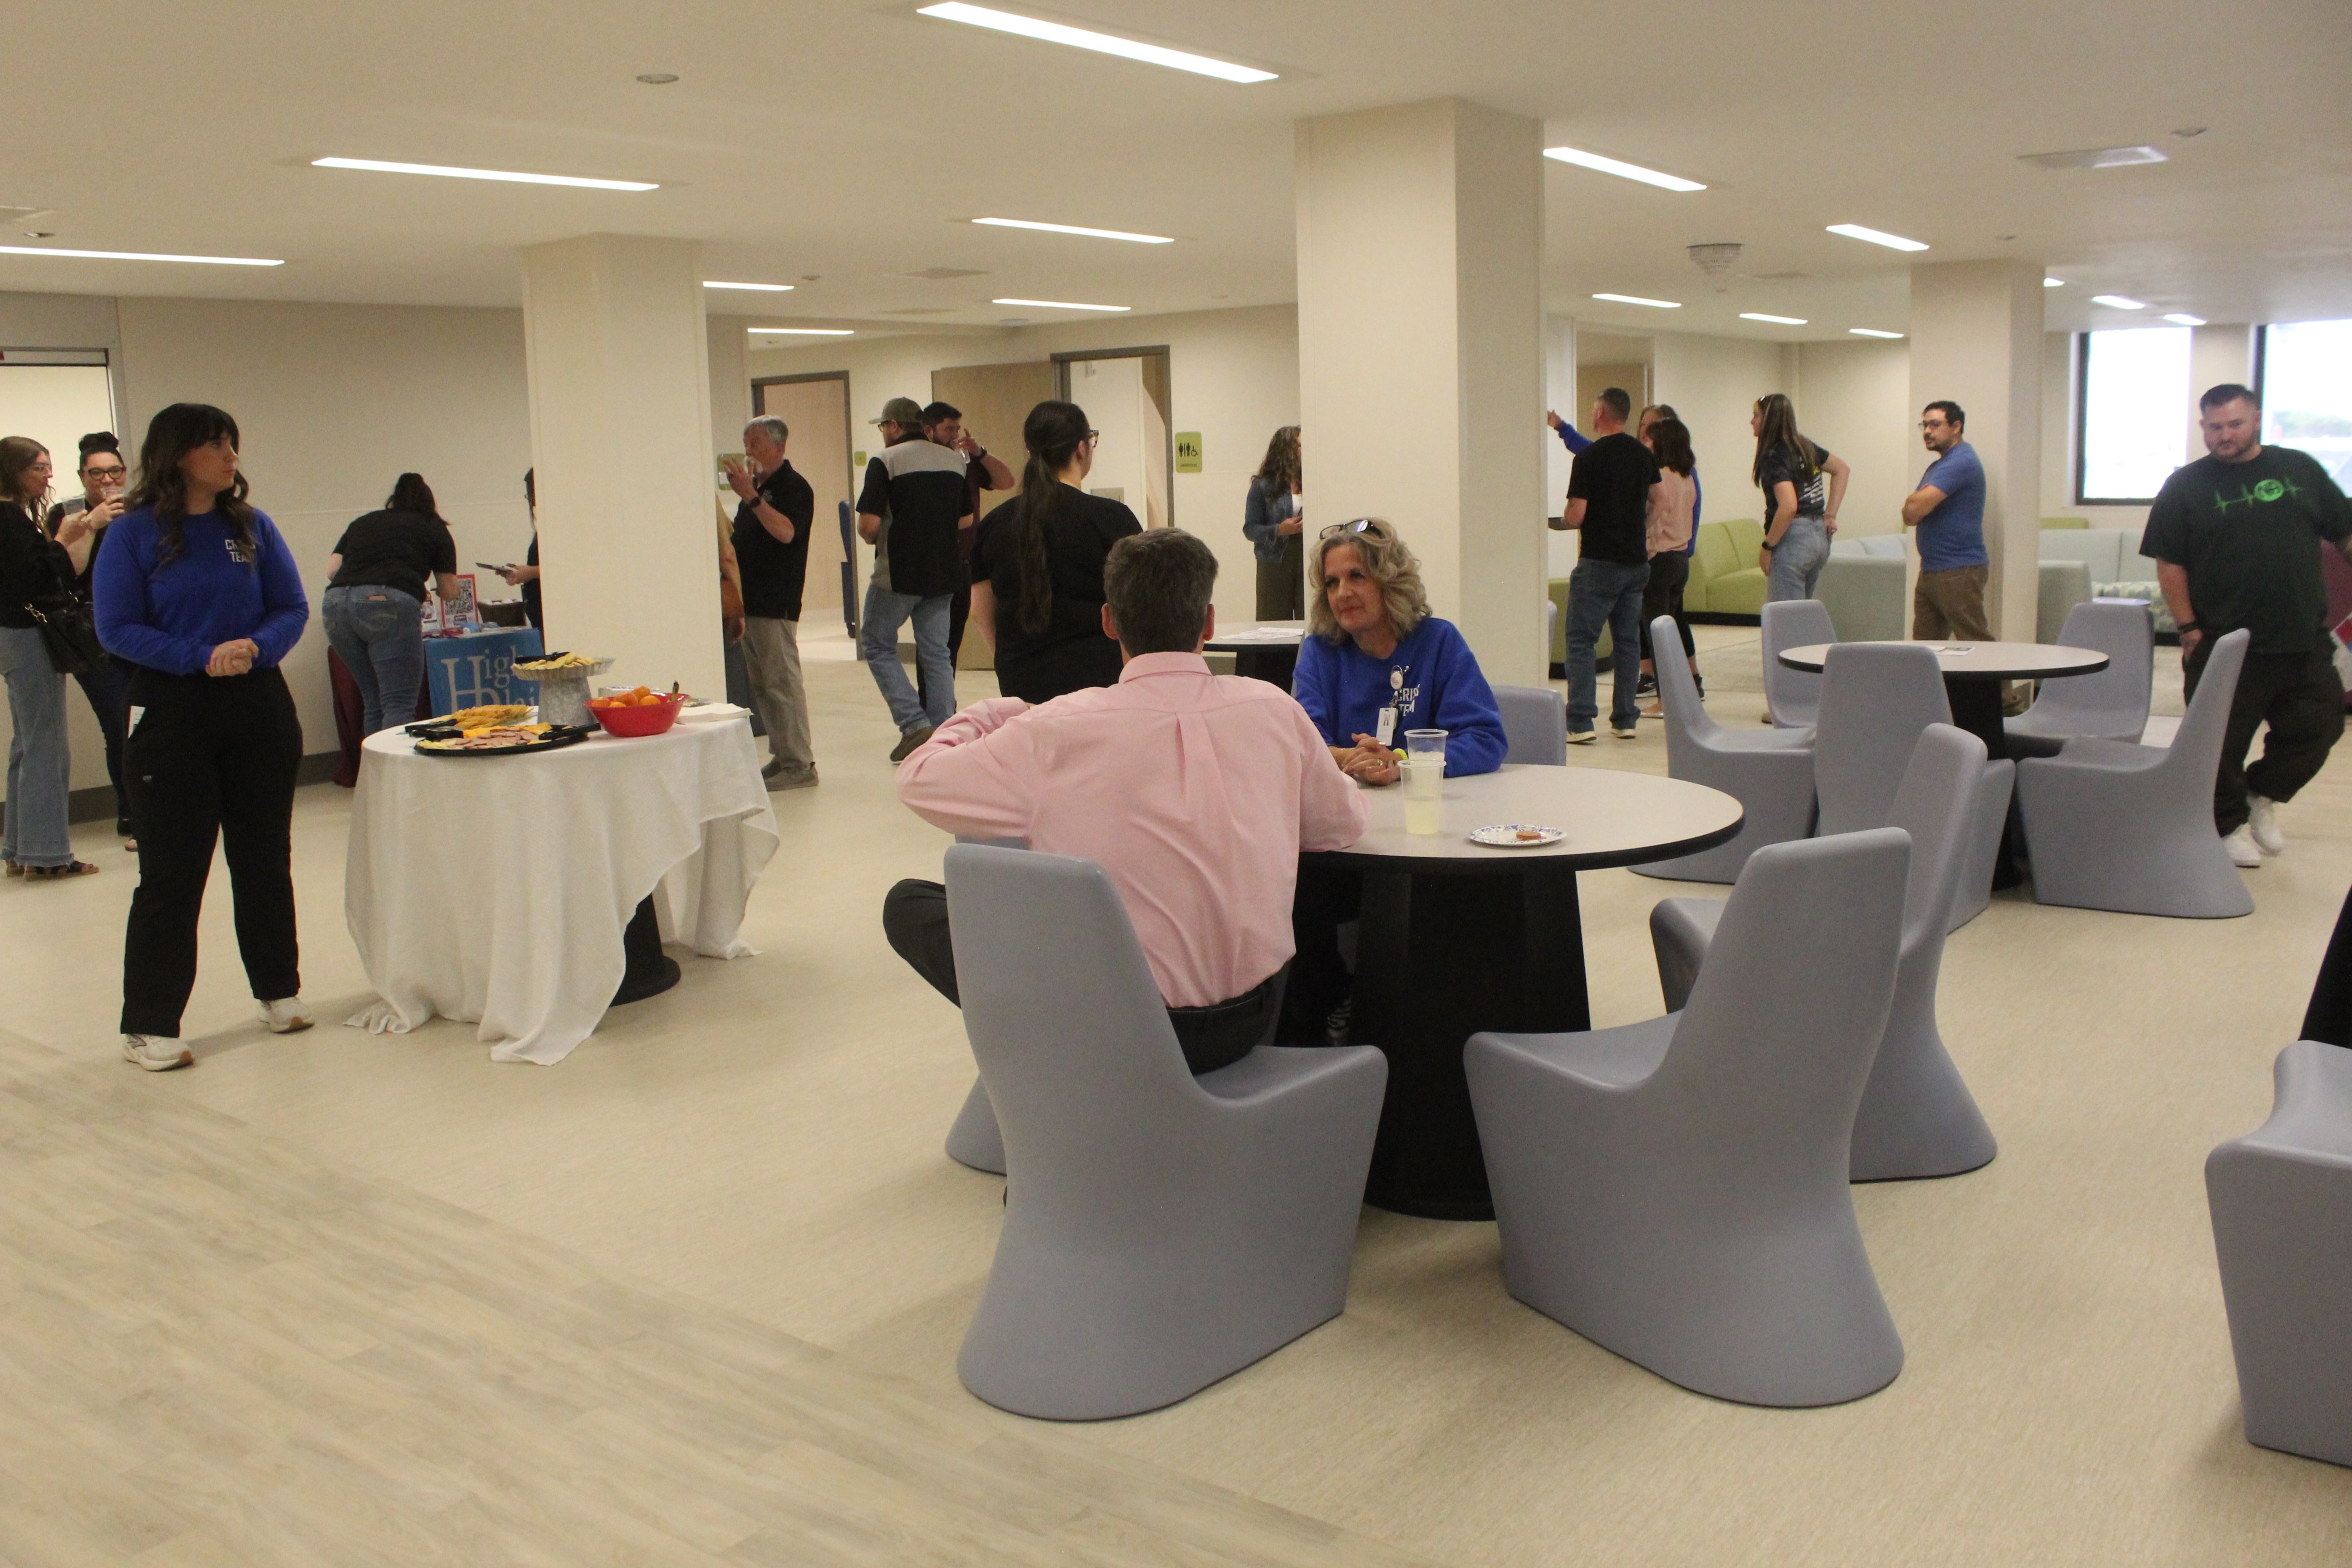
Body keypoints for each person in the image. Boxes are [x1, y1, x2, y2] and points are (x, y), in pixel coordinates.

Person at [887, 527, 1367, 1073]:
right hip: (1253, 1018)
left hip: (1117, 1030)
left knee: (909, 904)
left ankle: (1040, 1057)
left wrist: (995, 712)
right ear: (1208, 623)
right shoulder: (1273, 709)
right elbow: (1342, 824)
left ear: (1110, 620)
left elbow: (918, 776)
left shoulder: (1056, 729)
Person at [93, 403, 312, 1072]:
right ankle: (150, 1025)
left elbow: (292, 606)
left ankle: (278, 990)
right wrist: (200, 655)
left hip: (256, 703)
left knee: (263, 856)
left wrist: (255, 645)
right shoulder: (133, 536)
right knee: (172, 870)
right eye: (216, 444)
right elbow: (117, 628)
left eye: (233, 444)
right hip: (173, 709)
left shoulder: (251, 527)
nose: (230, 456)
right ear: (178, 454)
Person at [1284, 517, 1505, 1042]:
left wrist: (1402, 761)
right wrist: (1350, 760)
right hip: (1346, 837)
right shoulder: (1320, 650)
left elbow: (1485, 736)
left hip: (1431, 836)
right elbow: (1298, 738)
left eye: (1357, 576)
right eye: (1333, 583)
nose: (1344, 594)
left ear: (1390, 580)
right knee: (1293, 885)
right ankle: (1332, 1008)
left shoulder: (1438, 643)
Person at [2142, 382, 2352, 869]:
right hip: (2225, 643)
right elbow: (2170, 564)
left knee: (2319, 727)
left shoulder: (2298, 469)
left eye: (2235, 424)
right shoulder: (2187, 486)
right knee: (2218, 745)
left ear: (2256, 419)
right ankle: (2228, 824)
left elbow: (2343, 532)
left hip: (2302, 636)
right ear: (2203, 428)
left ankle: (2263, 793)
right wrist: (2189, 628)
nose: (2225, 435)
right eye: (2215, 427)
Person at [969, 401, 1140, 703]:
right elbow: (1138, 607)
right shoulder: (1112, 518)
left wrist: (1011, 661)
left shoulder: (995, 524)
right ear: (1081, 449)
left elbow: (980, 610)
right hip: (1100, 681)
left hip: (1021, 681)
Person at [856, 396, 973, 761]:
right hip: (945, 574)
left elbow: (869, 525)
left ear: (893, 427)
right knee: (936, 654)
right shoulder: (955, 462)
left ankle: (914, 725)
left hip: (899, 575)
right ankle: (943, 735)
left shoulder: (886, 461)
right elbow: (965, 521)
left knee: (876, 644)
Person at [0, 437, 93, 880]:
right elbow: (35, 576)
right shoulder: (10, 518)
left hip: (10, 636)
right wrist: (65, 539)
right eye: (39, 468)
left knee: (28, 742)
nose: (48, 476)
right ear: (14, 471)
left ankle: (20, 847)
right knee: (46, 744)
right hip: (24, 634)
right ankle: (47, 854)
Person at [1552, 387, 1663, 742]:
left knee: (1581, 642)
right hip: (1634, 563)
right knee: (1628, 642)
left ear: (1600, 413)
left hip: (1598, 562)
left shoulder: (1588, 458)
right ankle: (1625, 718)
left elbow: (1577, 514)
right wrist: (1640, 529)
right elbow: (1660, 501)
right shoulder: (1643, 456)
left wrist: (1562, 521)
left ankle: (1581, 722)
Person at [45, 432, 136, 842]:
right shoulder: (67, 515)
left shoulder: (140, 510)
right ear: (82, 476)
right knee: (117, 723)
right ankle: (132, 813)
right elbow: (68, 572)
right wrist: (94, 526)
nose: (106, 480)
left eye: (114, 471)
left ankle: (153, 809)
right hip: (90, 635)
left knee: (147, 721)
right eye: (96, 473)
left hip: (140, 629)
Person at [321, 472, 460, 739]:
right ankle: (396, 779)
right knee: (397, 703)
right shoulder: (434, 527)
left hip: (336, 605)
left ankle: (376, 778)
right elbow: (449, 591)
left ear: (393, 499)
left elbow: (332, 571)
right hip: (388, 603)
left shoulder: (364, 522)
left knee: (373, 700)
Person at [724, 416, 819, 790]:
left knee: (782, 683)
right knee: (762, 685)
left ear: (779, 448)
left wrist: (751, 497)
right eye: (746, 443)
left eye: (756, 443)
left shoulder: (794, 488)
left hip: (776, 601)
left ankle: (801, 764)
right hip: (751, 602)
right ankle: (782, 757)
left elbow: (786, 532)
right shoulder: (757, 490)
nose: (749, 451)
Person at [919, 400, 1014, 711]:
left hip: (963, 562)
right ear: (929, 430)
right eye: (949, 429)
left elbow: (1006, 481)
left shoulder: (967, 461)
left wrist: (980, 453)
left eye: (957, 428)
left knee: (952, 642)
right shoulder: (922, 463)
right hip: (931, 564)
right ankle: (930, 709)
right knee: (932, 643)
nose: (954, 435)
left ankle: (944, 706)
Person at [1903, 401, 1993, 640]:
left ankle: (1997, 680)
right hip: (1933, 569)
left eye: (1935, 425)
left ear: (1956, 427)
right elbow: (1910, 515)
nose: (1928, 432)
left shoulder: (1960, 462)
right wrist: (1915, 505)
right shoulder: (1940, 465)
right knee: (1925, 648)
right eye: (1925, 425)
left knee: (1976, 644)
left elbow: (1914, 508)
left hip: (1957, 570)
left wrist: (1916, 504)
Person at [1751, 392, 1848, 603]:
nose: (1752, 421)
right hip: (1819, 538)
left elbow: (1788, 507)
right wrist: (1830, 515)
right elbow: (1842, 469)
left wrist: (1768, 546)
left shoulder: (1774, 455)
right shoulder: (1804, 445)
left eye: (1756, 416)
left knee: (1787, 620)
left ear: (1768, 419)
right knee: (1803, 615)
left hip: (1794, 539)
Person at [1638, 416, 1700, 713]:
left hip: (1660, 561)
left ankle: (1665, 700)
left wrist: (1644, 541)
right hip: (1680, 560)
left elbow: (1657, 515)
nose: (1645, 444)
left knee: (1657, 633)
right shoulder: (1687, 477)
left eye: (1650, 440)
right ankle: (1686, 687)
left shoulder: (1660, 477)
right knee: (1674, 628)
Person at [1243, 425, 1305, 619]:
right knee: (1273, 623)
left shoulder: (1314, 482)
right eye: (1301, 445)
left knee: (1309, 619)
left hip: (1306, 559)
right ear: (1287, 450)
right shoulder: (1263, 486)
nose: (1306, 450)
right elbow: (1250, 529)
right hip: (1274, 561)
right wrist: (1280, 530)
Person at [493, 469, 542, 630]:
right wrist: (521, 572)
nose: (533, 502)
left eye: (532, 495)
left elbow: (568, 567)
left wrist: (530, 573)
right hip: (538, 610)